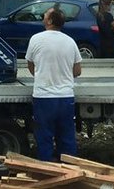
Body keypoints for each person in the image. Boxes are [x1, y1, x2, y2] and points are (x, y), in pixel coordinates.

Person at [25, 8, 82, 161]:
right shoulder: (70, 42)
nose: (43, 16)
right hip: (65, 97)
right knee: (67, 138)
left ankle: (47, 172)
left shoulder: (36, 39)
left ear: (50, 20)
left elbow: (30, 65)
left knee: (44, 138)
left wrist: (42, 75)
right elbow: (77, 71)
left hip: (43, 97)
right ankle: (69, 172)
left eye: (45, 15)